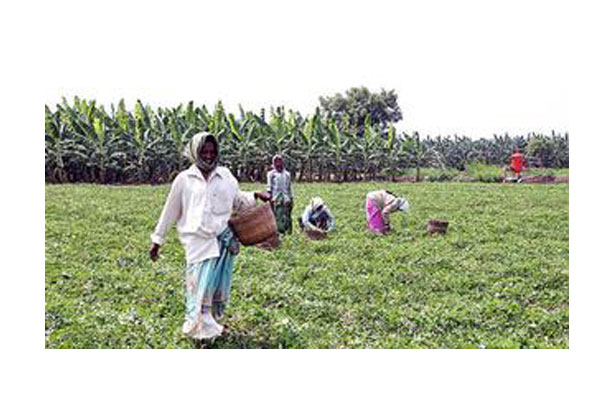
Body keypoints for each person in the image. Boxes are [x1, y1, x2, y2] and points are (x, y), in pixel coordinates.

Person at [149, 132, 270, 342]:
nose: (208, 155)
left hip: (223, 241)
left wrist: (255, 196)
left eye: (212, 152)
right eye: (204, 151)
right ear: (195, 152)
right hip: (197, 242)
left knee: (216, 289)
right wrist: (157, 240)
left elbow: (237, 201)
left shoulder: (225, 176)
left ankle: (211, 326)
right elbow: (170, 210)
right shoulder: (184, 179)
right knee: (199, 288)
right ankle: (198, 331)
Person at [266, 154, 294, 234]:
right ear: (273, 163)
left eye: (279, 161)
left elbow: (289, 188)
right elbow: (269, 188)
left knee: (287, 216)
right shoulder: (271, 174)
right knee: (277, 217)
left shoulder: (287, 174)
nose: (278, 163)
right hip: (276, 199)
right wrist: (270, 200)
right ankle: (280, 232)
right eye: (276, 161)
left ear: (282, 162)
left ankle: (288, 232)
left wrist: (291, 199)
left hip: (286, 198)